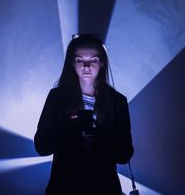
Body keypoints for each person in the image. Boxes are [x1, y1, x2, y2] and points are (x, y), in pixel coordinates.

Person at [34, 34, 134, 195]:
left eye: (93, 60)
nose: (86, 66)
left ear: (102, 62)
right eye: (80, 60)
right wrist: (69, 134)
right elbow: (41, 146)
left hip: (104, 188)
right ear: (72, 63)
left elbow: (124, 154)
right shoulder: (57, 98)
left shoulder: (117, 102)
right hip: (64, 187)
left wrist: (100, 137)